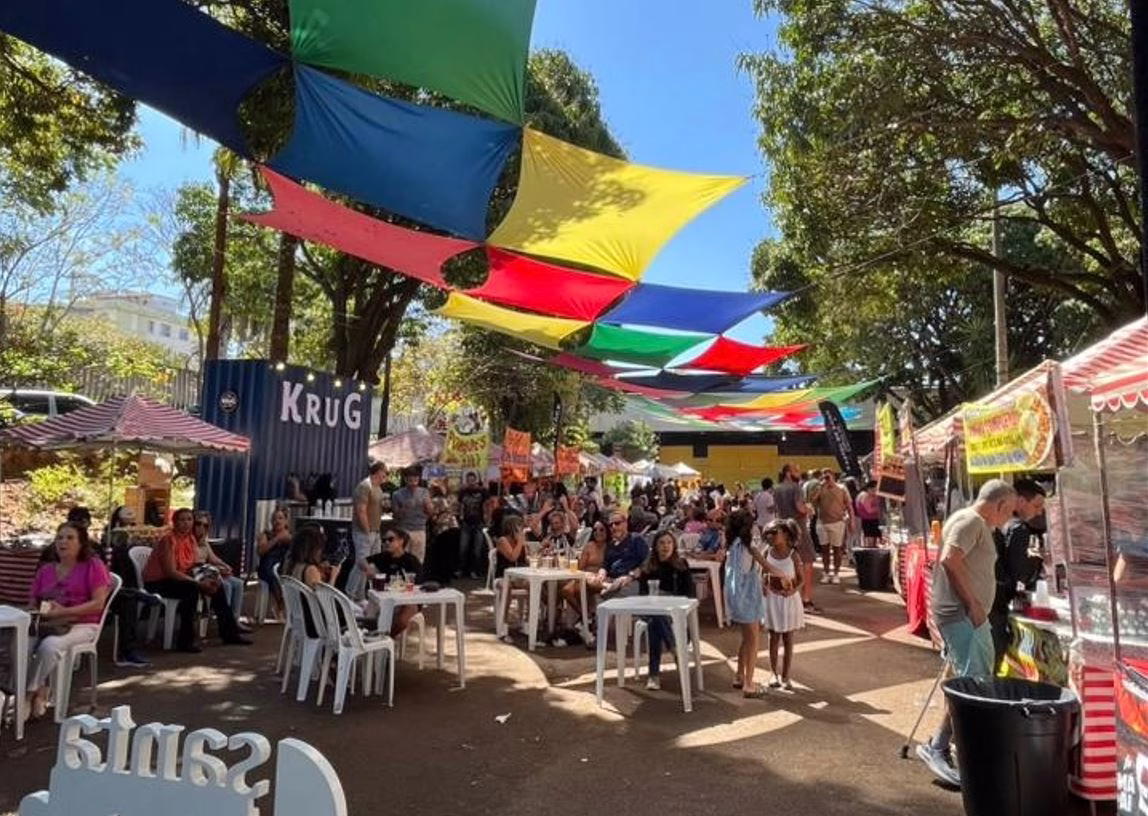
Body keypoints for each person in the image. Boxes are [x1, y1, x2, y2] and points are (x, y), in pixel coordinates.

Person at [917, 479, 1017, 787]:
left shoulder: (969, 520)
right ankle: (940, 747)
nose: (1009, 517)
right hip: (964, 616)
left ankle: (941, 744)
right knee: (974, 684)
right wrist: (973, 604)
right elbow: (950, 559)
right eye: (1009, 510)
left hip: (964, 616)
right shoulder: (972, 521)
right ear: (999, 504)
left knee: (966, 680)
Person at [25, 522, 112, 721]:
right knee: (20, 645)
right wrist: (41, 611)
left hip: (83, 623)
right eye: (59, 538)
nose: (63, 541)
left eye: (70, 537)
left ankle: (27, 695)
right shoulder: (45, 570)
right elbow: (32, 602)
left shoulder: (93, 566)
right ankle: (41, 689)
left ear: (81, 543)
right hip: (47, 624)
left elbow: (98, 604)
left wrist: (65, 611)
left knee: (49, 647)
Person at [143, 508, 252, 652]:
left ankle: (229, 633)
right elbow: (171, 572)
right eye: (182, 520)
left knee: (217, 586)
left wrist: (210, 577)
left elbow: (194, 565)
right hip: (159, 581)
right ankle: (185, 641)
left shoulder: (190, 539)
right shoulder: (168, 540)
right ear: (175, 522)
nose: (186, 523)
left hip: (181, 577)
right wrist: (197, 583)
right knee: (191, 590)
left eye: (189, 519)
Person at [990, 479, 1047, 668]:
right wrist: (1038, 561)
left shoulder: (1000, 526)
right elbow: (1019, 573)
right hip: (997, 605)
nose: (1039, 512)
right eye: (1036, 505)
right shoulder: (1019, 529)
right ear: (1021, 501)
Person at [636, 530, 695, 690]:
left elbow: (690, 594)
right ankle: (675, 649)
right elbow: (642, 594)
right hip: (650, 609)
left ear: (674, 545)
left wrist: (668, 599)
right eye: (661, 543)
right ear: (655, 546)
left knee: (656, 623)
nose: (665, 546)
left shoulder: (681, 565)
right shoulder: (648, 567)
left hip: (673, 610)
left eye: (669, 542)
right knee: (655, 616)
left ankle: (654, 674)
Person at [723, 509, 772, 697]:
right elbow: (766, 565)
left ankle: (739, 675)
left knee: (747, 637)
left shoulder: (733, 546)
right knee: (753, 641)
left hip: (736, 596)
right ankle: (749, 684)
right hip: (748, 597)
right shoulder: (748, 547)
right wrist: (785, 575)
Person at [762, 519, 805, 690]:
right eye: (769, 533)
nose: (771, 536)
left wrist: (793, 591)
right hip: (773, 599)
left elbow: (801, 580)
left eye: (775, 532)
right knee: (773, 637)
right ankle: (773, 673)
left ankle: (786, 675)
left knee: (788, 638)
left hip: (789, 600)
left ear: (786, 534)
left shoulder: (793, 555)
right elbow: (762, 575)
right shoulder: (767, 552)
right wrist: (766, 587)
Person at [775, 464, 819, 613]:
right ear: (788, 473)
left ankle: (790, 599)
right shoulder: (795, 488)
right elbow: (800, 508)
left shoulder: (777, 488)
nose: (799, 473)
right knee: (807, 562)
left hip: (783, 530)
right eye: (796, 471)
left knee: (789, 565)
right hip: (798, 529)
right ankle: (806, 600)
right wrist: (809, 509)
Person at [192, 511, 248, 630]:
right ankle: (224, 623)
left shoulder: (204, 542)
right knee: (225, 585)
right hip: (197, 573)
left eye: (205, 525)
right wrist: (218, 570)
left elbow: (213, 558)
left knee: (238, 583)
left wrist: (225, 565)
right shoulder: (189, 541)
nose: (201, 528)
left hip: (207, 570)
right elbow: (194, 563)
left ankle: (235, 620)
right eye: (198, 524)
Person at [366, 527, 424, 638]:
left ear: (401, 541)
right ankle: (373, 640)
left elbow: (418, 585)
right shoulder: (383, 557)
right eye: (384, 540)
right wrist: (369, 569)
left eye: (390, 539)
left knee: (403, 616)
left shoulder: (411, 561)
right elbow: (362, 561)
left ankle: (384, 641)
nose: (386, 543)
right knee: (373, 607)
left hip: (407, 600)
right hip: (386, 598)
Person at [347, 460, 387, 600]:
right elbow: (361, 510)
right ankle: (350, 592)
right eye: (384, 471)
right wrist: (366, 529)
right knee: (361, 562)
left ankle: (360, 594)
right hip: (364, 531)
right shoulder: (365, 486)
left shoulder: (378, 488)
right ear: (378, 472)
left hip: (376, 530)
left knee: (371, 563)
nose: (386, 475)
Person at [811, 471, 852, 584]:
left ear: (834, 476)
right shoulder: (820, 488)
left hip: (837, 522)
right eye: (825, 476)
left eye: (828, 476)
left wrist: (852, 521)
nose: (827, 478)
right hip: (822, 523)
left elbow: (849, 505)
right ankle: (826, 572)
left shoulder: (842, 488)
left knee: (837, 549)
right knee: (824, 549)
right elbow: (812, 500)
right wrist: (820, 486)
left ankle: (836, 573)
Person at [390, 465, 435, 564]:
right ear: (405, 479)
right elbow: (396, 516)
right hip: (403, 531)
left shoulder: (424, 492)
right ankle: (401, 579)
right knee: (402, 559)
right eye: (410, 479)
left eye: (416, 478)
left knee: (418, 560)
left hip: (419, 530)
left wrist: (429, 506)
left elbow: (431, 513)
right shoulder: (397, 494)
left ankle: (416, 578)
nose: (413, 481)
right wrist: (404, 508)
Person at [255, 506, 292, 619]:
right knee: (271, 571)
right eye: (275, 519)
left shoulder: (290, 535)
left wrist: (288, 539)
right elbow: (260, 551)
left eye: (280, 518)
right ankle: (280, 604)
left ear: (286, 521)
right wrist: (277, 539)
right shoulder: (266, 534)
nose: (277, 521)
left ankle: (284, 606)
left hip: (283, 568)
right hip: (266, 569)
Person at [457, 471, 490, 579]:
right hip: (466, 523)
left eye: (473, 480)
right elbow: (460, 505)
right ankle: (461, 569)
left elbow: (488, 505)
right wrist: (460, 518)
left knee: (477, 549)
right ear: (466, 480)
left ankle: (474, 571)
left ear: (476, 480)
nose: (471, 482)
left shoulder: (483, 491)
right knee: (463, 548)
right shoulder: (463, 492)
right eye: (469, 480)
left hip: (479, 523)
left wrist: (487, 519)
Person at [855, 480, 882, 547]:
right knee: (870, 541)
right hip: (869, 520)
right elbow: (869, 510)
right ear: (870, 489)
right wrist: (879, 508)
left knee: (874, 541)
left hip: (873, 520)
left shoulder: (867, 495)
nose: (876, 491)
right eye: (875, 489)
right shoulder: (865, 496)